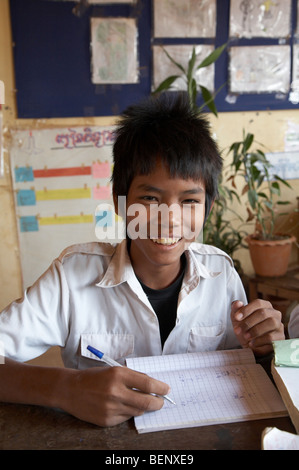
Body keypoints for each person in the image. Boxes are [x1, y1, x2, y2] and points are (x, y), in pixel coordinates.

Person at [0, 92, 284, 427]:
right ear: (121, 204)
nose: (169, 218)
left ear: (207, 208)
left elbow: (243, 366)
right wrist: (65, 388)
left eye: (190, 201)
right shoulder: (72, 277)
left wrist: (265, 348)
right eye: (150, 197)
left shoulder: (220, 272)